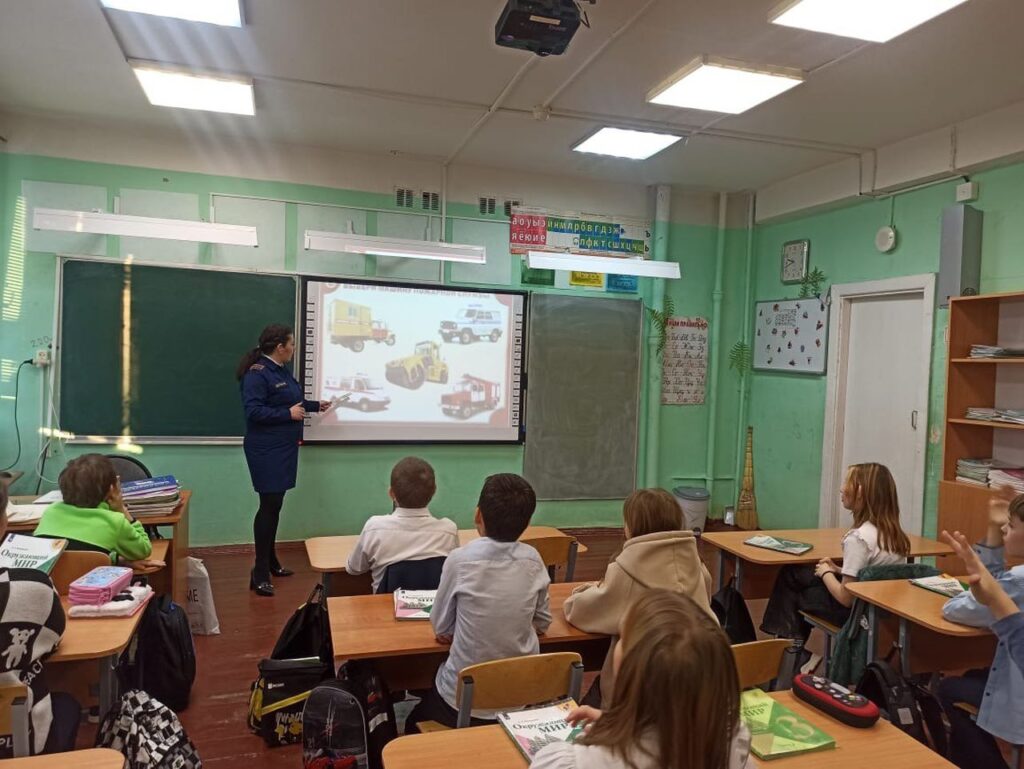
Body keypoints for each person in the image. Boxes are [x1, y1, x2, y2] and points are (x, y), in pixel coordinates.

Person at [531, 590, 752, 769]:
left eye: (622, 638)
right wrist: (616, 724)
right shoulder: (732, 741)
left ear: (629, 668)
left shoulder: (575, 762)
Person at [404, 473, 551, 731]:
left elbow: (441, 626)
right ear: (527, 522)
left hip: (464, 702)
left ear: (478, 515)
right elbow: (543, 622)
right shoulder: (533, 559)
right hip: (522, 697)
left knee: (412, 721)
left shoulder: (459, 560)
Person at [563, 488, 715, 707]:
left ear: (632, 526)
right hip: (698, 686)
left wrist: (582, 591)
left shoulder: (627, 570)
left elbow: (581, 612)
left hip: (640, 695)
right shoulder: (697, 564)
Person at [761, 462, 910, 643]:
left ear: (860, 492)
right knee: (794, 573)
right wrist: (839, 570)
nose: (841, 489)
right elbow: (869, 574)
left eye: (847, 482)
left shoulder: (858, 539)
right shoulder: (894, 535)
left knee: (794, 593)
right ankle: (794, 651)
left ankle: (790, 650)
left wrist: (826, 573)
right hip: (880, 611)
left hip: (855, 615)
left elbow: (845, 598)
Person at [237, 324, 329, 597]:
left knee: (275, 505)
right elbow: (254, 411)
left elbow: (290, 400)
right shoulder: (257, 374)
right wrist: (287, 415)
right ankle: (259, 572)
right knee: (268, 506)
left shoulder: (280, 370)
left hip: (283, 448)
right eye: (291, 344)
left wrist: (315, 406)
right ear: (280, 347)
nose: (293, 348)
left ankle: (271, 560)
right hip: (266, 450)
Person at [938, 487, 1024, 769]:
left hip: (1018, 704)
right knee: (974, 675)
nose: (1004, 529)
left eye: (1011, 526)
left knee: (948, 688)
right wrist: (994, 532)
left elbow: (956, 609)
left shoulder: (1018, 581)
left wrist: (977, 581)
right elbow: (992, 587)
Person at [0, 484, 81, 757]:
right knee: (66, 704)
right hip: (20, 745)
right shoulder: (34, 587)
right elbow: (54, 638)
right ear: (3, 524)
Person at [346, 457, 458, 593]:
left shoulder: (374, 528)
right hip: (433, 606)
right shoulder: (448, 531)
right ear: (434, 491)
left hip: (386, 606)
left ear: (391, 493)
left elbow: (353, 569)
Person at [34, 453, 155, 565]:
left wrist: (115, 559)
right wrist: (122, 510)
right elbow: (143, 550)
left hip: (48, 581)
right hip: (88, 581)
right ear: (112, 489)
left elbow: (74, 552)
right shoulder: (113, 521)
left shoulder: (51, 511)